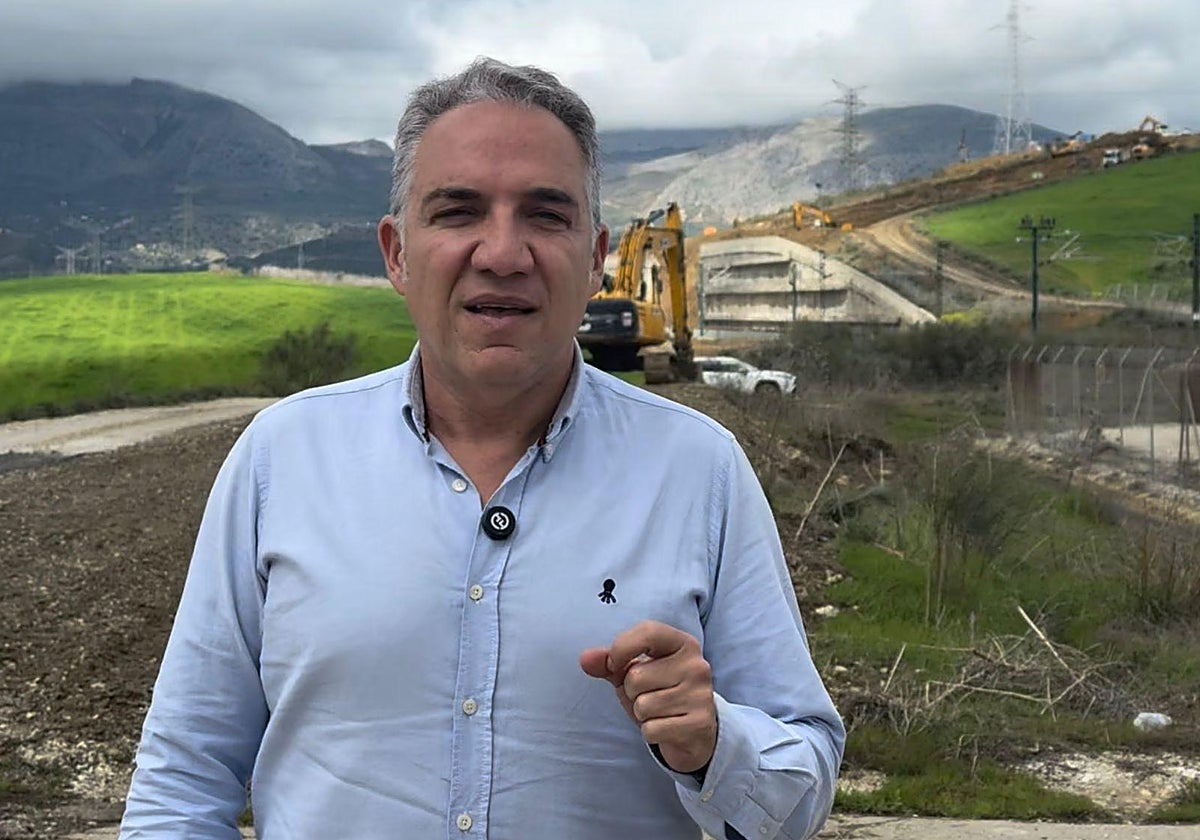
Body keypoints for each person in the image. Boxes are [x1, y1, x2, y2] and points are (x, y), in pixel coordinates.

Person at [119, 57, 844, 840]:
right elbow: (180, 784)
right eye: (459, 211)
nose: (502, 253)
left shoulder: (699, 470)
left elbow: (802, 789)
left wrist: (716, 745)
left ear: (595, 257)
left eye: (545, 215)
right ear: (397, 253)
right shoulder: (281, 460)